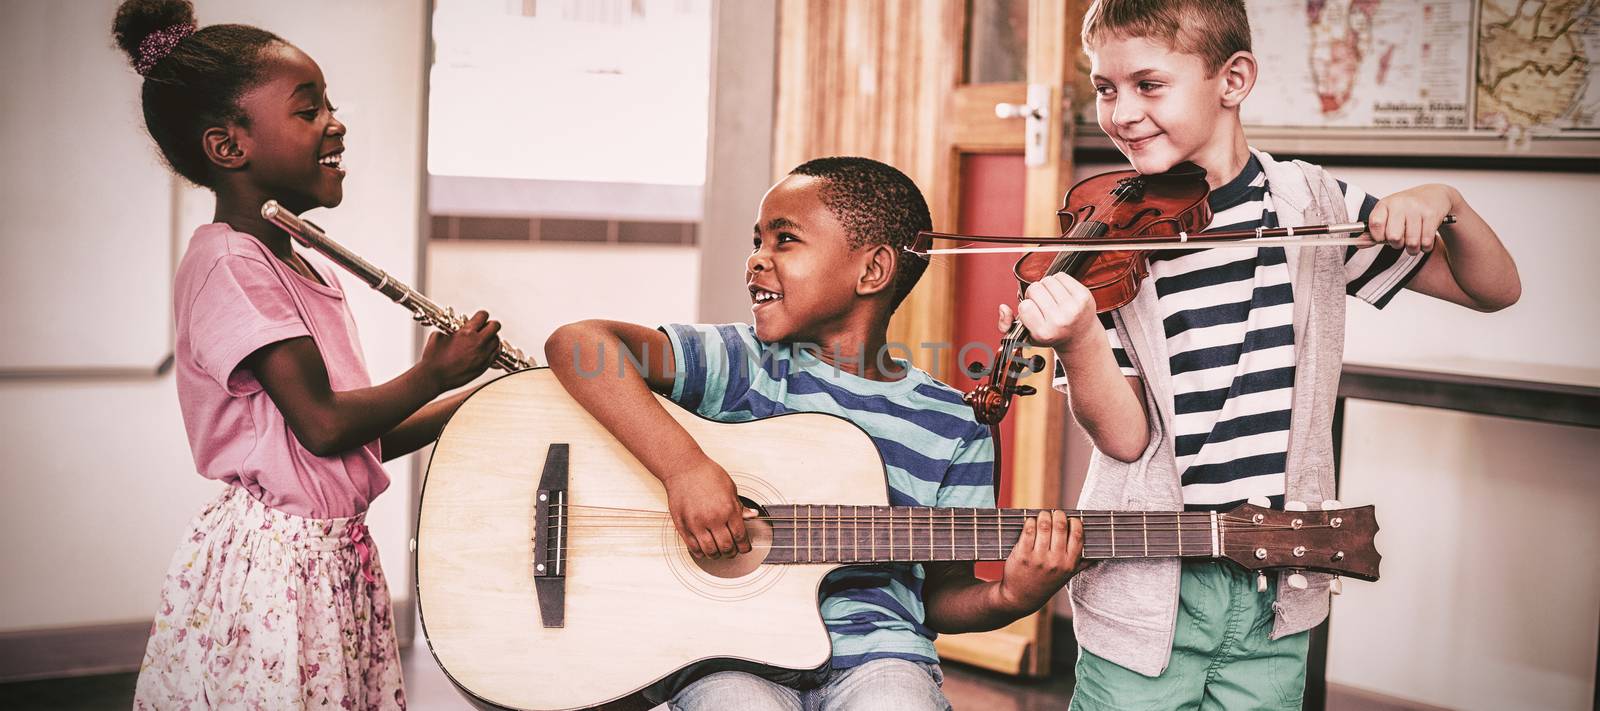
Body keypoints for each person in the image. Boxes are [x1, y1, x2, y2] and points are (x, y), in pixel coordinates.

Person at [999, 1, 1522, 708]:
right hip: (1150, 582)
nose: (1121, 112)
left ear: (1234, 79)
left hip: (1276, 581)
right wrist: (1082, 338)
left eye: (1148, 85)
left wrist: (1448, 203)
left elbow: (1492, 288)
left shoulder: (1308, 205)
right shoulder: (1110, 243)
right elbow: (1125, 439)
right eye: (1105, 87)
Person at [545, 157, 1083, 711]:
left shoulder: (953, 424)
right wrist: (685, 468)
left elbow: (942, 596)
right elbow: (581, 344)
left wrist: (1011, 595)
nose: (757, 259)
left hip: (878, 654)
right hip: (729, 647)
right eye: (759, 240)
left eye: (785, 240)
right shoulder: (740, 363)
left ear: (872, 272)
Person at [116, 1, 502, 707]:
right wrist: (432, 371)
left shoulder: (294, 260)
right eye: (307, 108)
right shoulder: (231, 264)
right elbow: (323, 424)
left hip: (328, 557)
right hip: (278, 572)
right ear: (229, 147)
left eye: (328, 103)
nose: (335, 122)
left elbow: (353, 445)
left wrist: (474, 399)